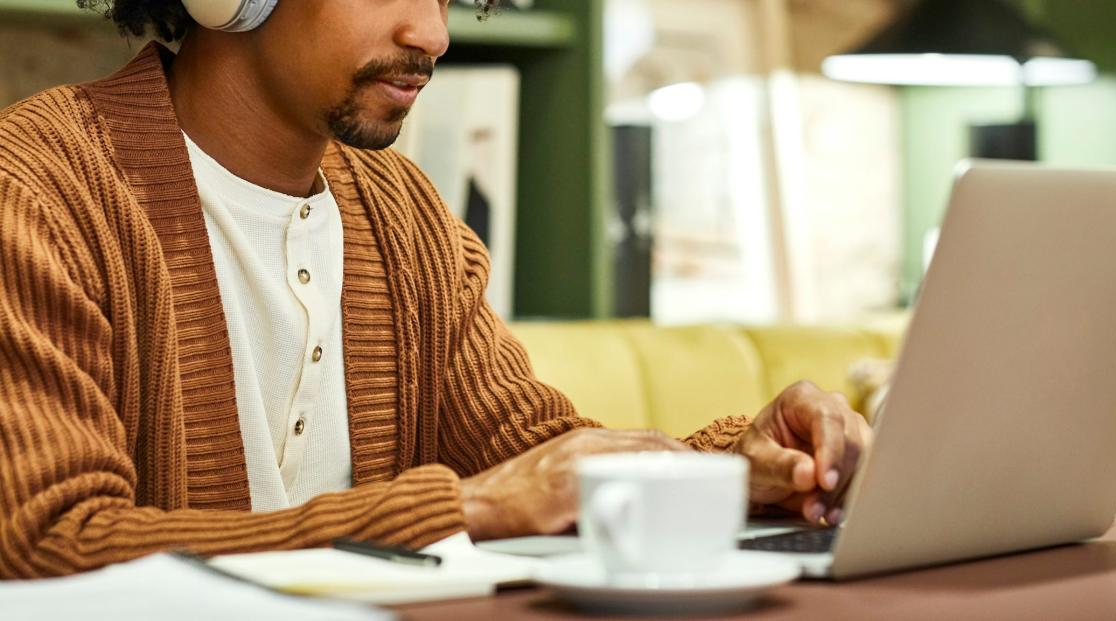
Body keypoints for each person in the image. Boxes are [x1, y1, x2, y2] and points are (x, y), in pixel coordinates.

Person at [0, 0, 872, 579]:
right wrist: (468, 506)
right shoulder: (35, 192)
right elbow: (48, 544)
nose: (434, 33)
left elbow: (545, 457)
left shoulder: (404, 217)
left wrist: (748, 471)